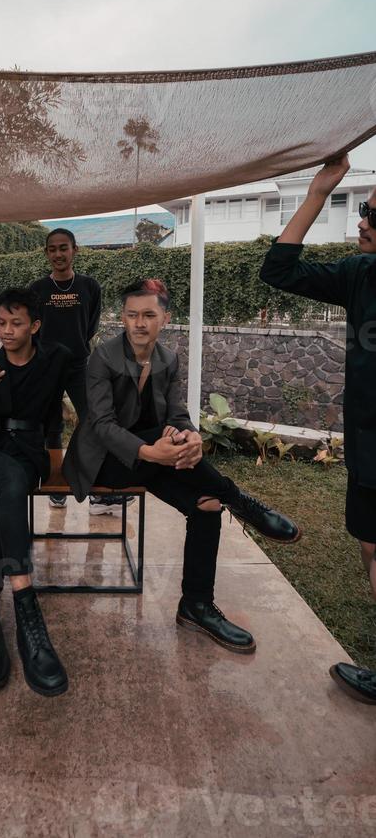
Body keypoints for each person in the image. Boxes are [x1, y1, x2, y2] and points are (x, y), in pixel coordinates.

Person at [63, 278, 301, 653]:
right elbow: (102, 425)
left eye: (148, 315)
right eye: (131, 315)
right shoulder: (102, 358)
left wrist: (191, 437)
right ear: (122, 318)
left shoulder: (168, 359)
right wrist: (154, 451)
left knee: (206, 504)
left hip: (156, 457)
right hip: (106, 462)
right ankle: (240, 500)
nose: (139, 323)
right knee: (170, 442)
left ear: (165, 318)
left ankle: (196, 605)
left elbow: (177, 413)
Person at [260, 154, 376, 704]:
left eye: (370, 214)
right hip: (368, 446)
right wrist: (317, 193)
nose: (362, 221)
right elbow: (277, 270)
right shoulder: (360, 275)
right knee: (372, 549)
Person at [0, 286, 71, 696]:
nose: (6, 331)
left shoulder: (53, 360)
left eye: (16, 323)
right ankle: (25, 603)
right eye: (1, 323)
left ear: (34, 325)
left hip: (28, 453)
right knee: (8, 479)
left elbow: (74, 405)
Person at [30, 227, 127, 513]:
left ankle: (94, 489)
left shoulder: (89, 286)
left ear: (75, 250)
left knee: (93, 421)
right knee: (51, 425)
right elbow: (33, 326)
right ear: (46, 253)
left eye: (64, 247)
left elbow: (91, 325)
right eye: (52, 249)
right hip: (46, 366)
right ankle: (55, 485)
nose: (58, 254)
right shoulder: (38, 289)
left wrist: (74, 347)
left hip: (78, 366)